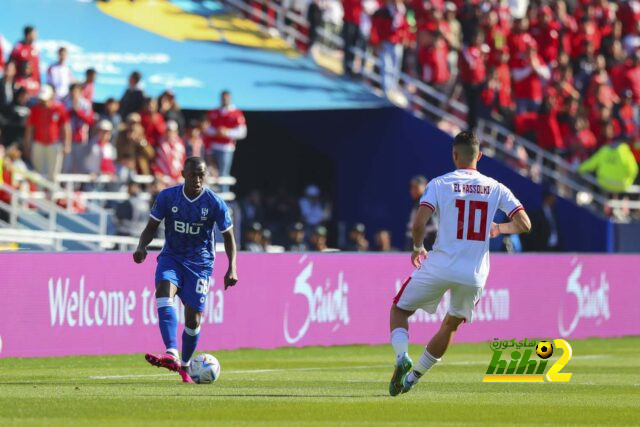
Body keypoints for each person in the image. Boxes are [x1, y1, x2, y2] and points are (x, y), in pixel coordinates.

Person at [388, 131, 531, 396]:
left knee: (400, 310)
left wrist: (418, 247)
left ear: (454, 155)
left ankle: (401, 358)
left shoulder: (439, 184)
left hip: (440, 263)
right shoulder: (495, 186)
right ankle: (413, 379)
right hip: (474, 272)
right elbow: (525, 223)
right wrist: (499, 228)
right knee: (451, 324)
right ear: (480, 156)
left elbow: (419, 223)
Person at [133, 157, 238, 383]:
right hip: (171, 257)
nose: (198, 179)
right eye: (193, 175)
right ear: (183, 174)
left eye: (202, 175)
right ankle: (172, 352)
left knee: (193, 320)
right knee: (163, 292)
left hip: (200, 264)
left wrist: (232, 268)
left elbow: (229, 237)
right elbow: (151, 227)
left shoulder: (214, 203)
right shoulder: (168, 197)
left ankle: (186, 366)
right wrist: (142, 246)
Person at [24, 85, 71, 180]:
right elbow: (29, 129)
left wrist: (67, 144)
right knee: (37, 173)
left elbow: (66, 127)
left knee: (53, 174)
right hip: (38, 143)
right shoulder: (35, 109)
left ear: (51, 97)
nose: (42, 101)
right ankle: (39, 193)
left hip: (54, 144)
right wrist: (27, 145)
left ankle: (52, 194)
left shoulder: (59, 108)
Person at [204, 91, 247, 191]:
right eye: (223, 98)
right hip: (212, 147)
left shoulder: (236, 113)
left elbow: (242, 132)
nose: (225, 100)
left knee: (223, 174)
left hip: (226, 148)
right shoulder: (214, 112)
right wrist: (217, 131)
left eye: (227, 98)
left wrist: (227, 132)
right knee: (210, 171)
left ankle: (223, 198)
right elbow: (206, 128)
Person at [405, 175, 437, 251]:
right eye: (412, 188)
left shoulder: (426, 202)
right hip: (417, 243)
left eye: (416, 187)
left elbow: (434, 228)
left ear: (425, 187)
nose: (413, 190)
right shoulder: (419, 202)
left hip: (425, 245)